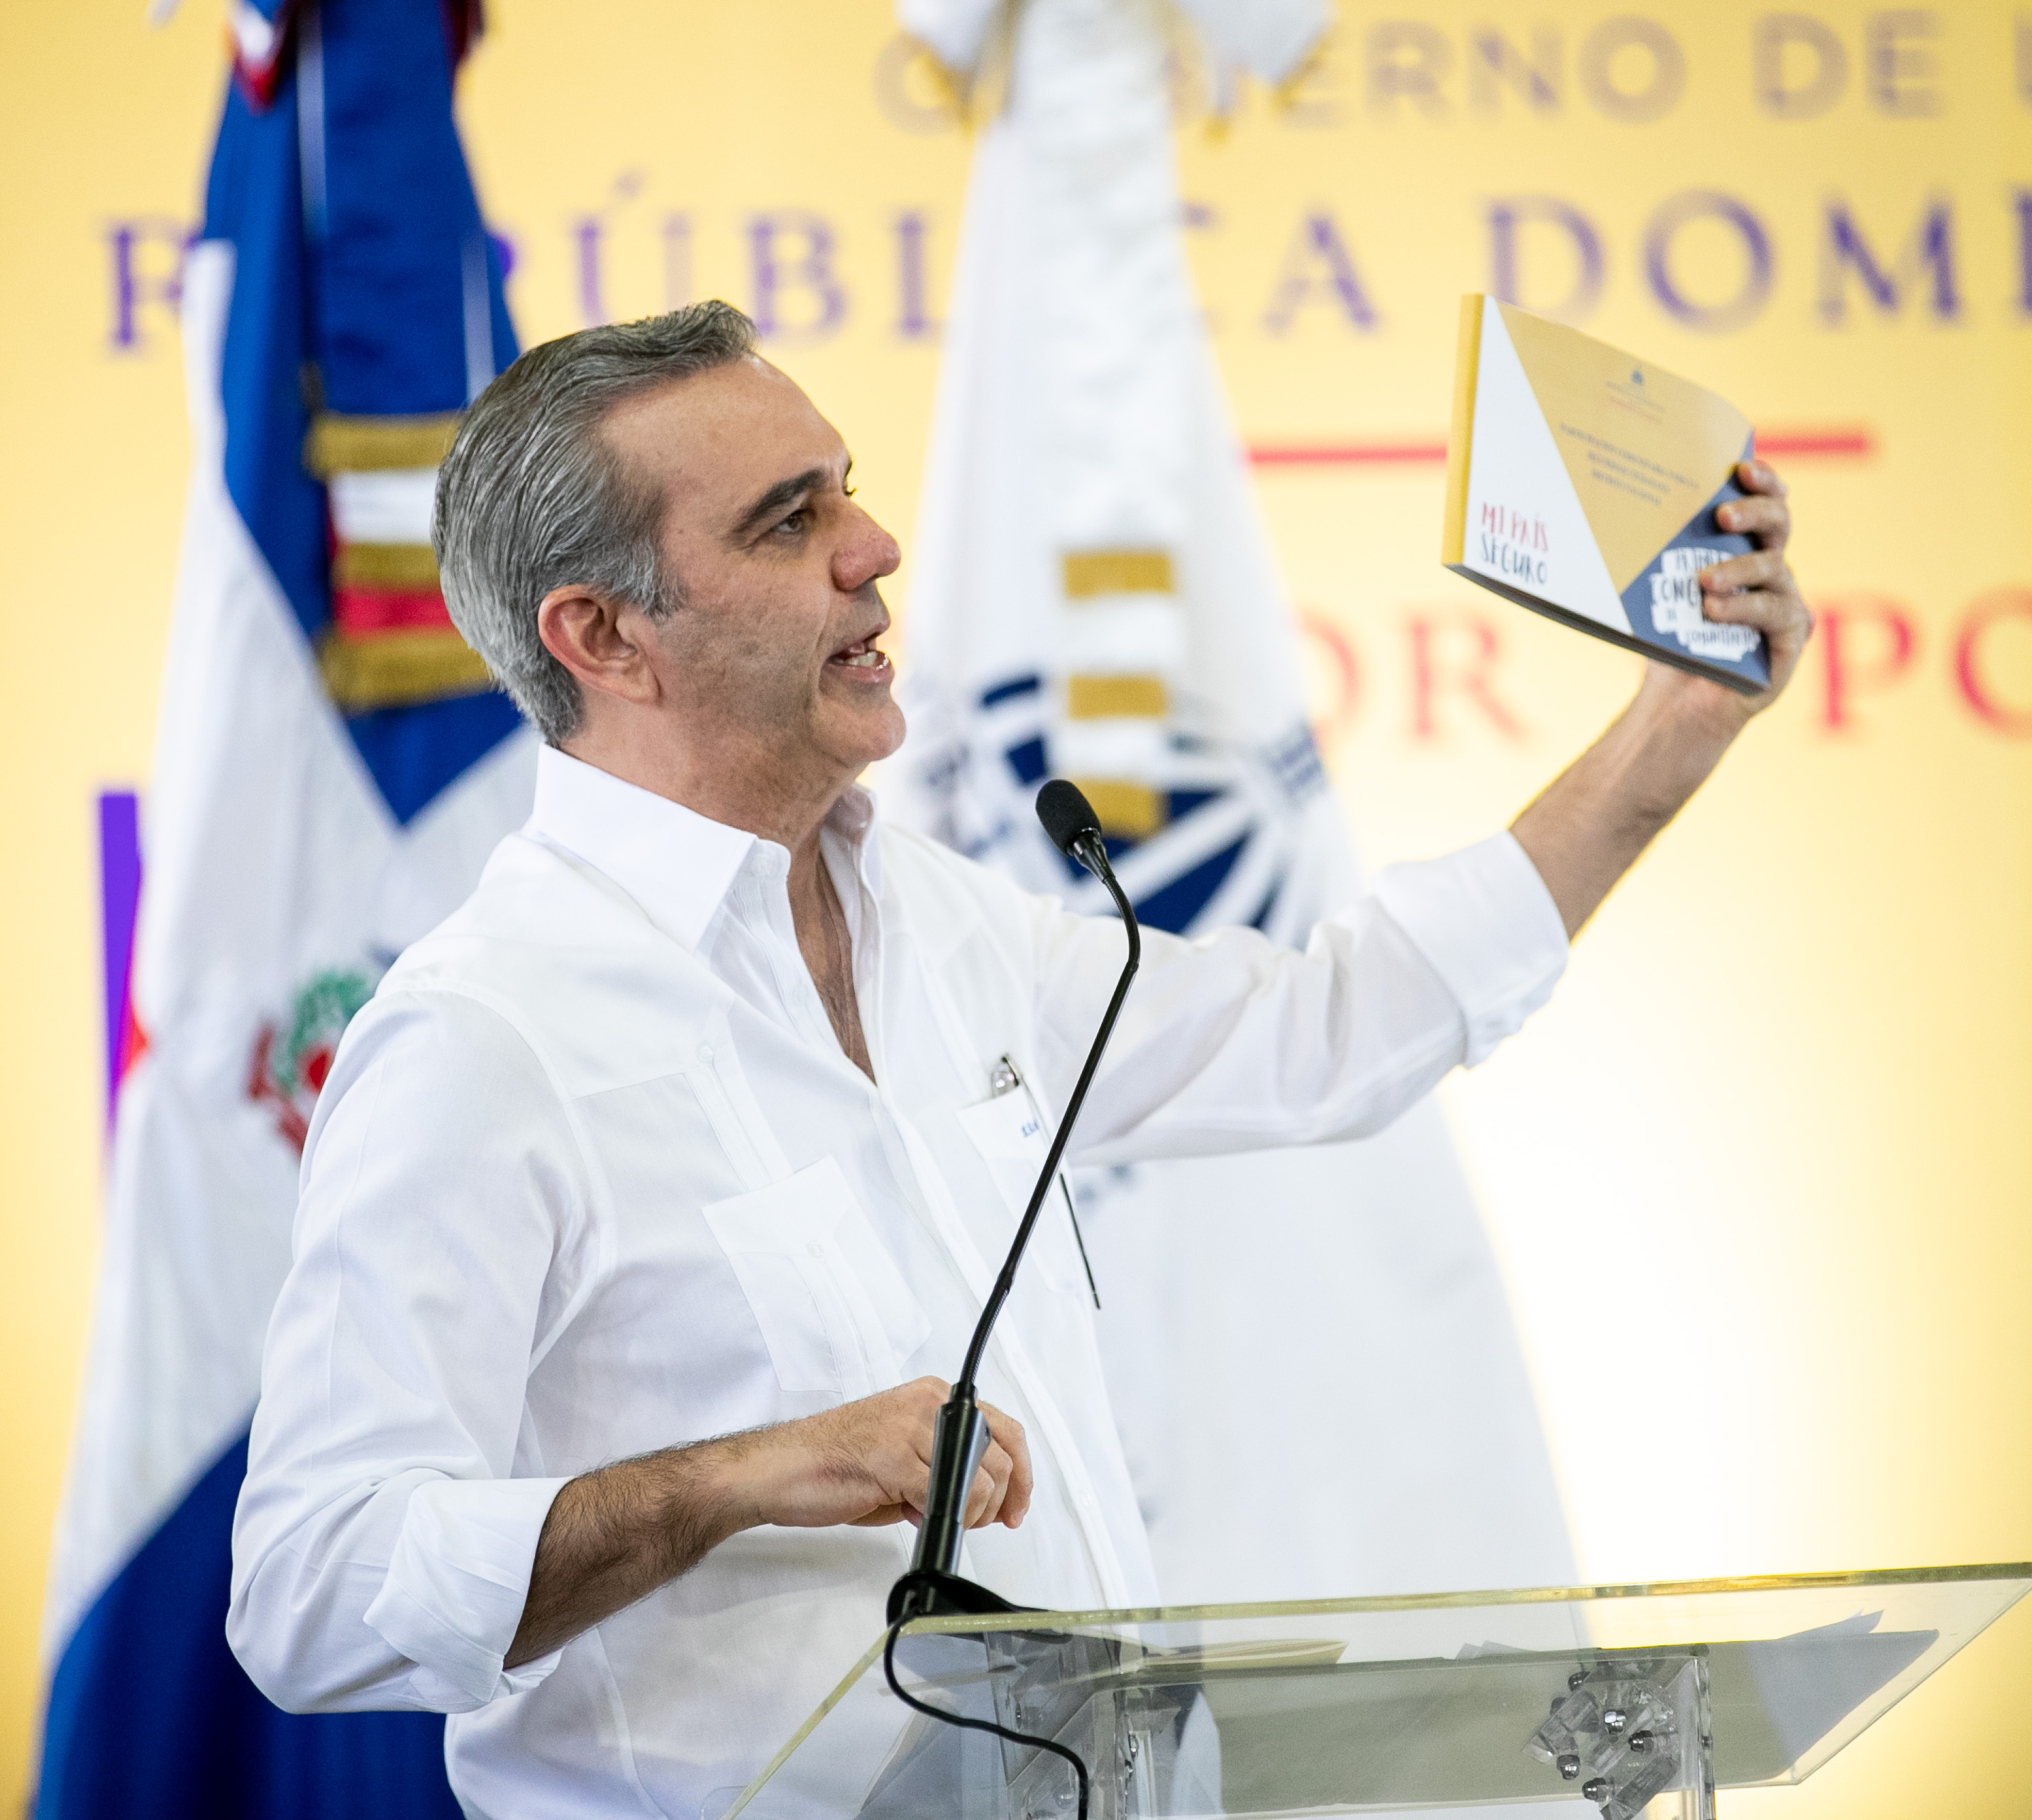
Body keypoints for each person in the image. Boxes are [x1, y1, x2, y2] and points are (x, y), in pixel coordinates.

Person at [226, 300, 1813, 1818]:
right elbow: (312, 1589)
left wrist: (1673, 726)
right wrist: (730, 1480)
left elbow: (1331, 1030)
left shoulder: (934, 918)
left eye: (847, 489)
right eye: (787, 523)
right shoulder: (482, 1038)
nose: (872, 547)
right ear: (604, 636)